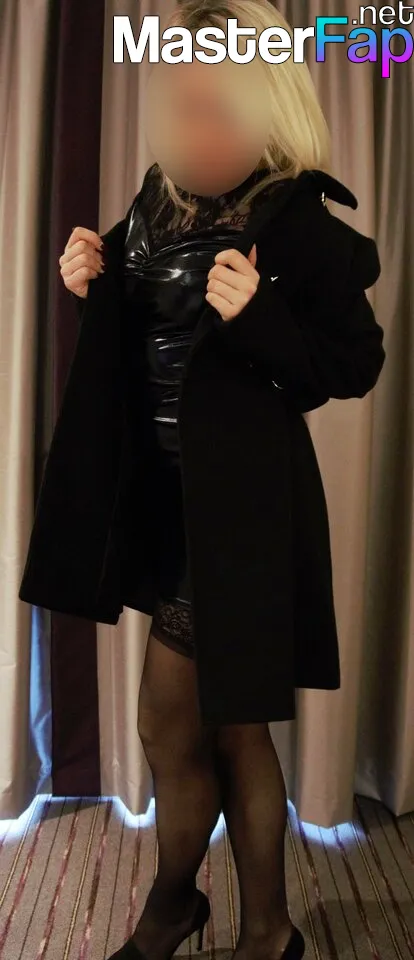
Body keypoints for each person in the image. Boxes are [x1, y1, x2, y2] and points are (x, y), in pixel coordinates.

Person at [24, 2, 386, 959]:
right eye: (183, 106)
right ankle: (262, 929)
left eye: (218, 109)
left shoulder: (297, 217)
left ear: (268, 108)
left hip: (240, 516)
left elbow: (356, 363)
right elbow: (148, 331)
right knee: (226, 728)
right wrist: (91, 277)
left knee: (176, 720)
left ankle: (179, 913)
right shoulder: (158, 196)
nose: (196, 129)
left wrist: (261, 315)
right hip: (161, 504)